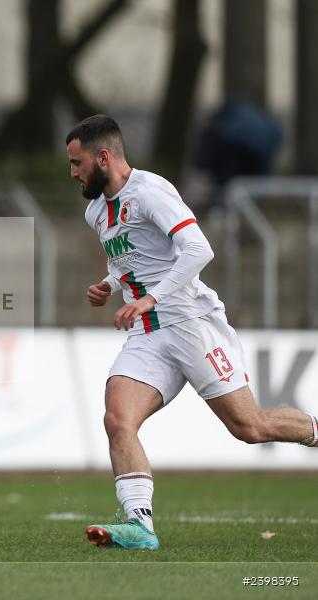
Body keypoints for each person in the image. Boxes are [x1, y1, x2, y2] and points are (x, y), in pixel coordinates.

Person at [66, 115, 318, 551]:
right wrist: (110, 283)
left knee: (250, 427)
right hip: (148, 334)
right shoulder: (96, 211)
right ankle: (140, 527)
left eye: (77, 162)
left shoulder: (150, 192)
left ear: (103, 157)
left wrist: (152, 297)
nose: (73, 173)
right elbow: (129, 257)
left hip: (190, 324)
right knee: (117, 420)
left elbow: (200, 248)